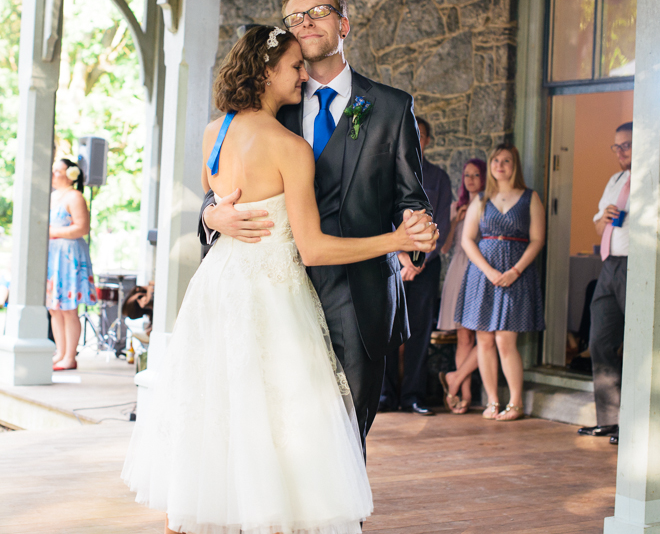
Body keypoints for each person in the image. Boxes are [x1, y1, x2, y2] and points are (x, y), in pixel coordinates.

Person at [123, 26, 435, 534]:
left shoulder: (214, 131)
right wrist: (393, 241)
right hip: (270, 293)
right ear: (267, 71)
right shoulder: (289, 145)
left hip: (217, 288)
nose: (302, 75)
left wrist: (214, 217)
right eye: (293, 67)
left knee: (217, 411)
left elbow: (222, 197)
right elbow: (309, 246)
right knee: (288, 421)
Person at [199, 0, 438, 451]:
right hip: (276, 295)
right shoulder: (269, 105)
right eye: (294, 16)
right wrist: (211, 217)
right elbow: (219, 187)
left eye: (319, 11)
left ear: (344, 23)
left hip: (360, 297)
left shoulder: (391, 107)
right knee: (274, 436)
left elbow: (413, 198)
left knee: (344, 441)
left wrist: (418, 234)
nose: (306, 21)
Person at [457, 144, 545, 421]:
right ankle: (493, 401)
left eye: (506, 161)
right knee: (483, 340)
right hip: (483, 275)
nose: (500, 165)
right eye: (496, 160)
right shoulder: (481, 199)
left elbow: (538, 239)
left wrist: (515, 271)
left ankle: (515, 403)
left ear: (514, 165)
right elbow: (467, 240)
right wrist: (488, 271)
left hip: (515, 274)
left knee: (505, 340)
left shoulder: (530, 198)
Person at [380, 116, 451, 415]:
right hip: (389, 262)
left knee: (419, 332)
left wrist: (419, 263)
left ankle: (413, 396)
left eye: (420, 135)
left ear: (428, 140)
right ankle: (384, 396)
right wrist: (400, 257)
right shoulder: (386, 172)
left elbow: (443, 225)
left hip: (425, 267)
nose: (415, 140)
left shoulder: (439, 178)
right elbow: (379, 218)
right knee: (385, 330)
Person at [578, 122, 633, 445]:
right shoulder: (615, 180)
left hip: (635, 263)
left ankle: (633, 421)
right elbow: (599, 227)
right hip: (609, 264)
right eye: (616, 146)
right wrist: (604, 218)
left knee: (636, 345)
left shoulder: (653, 180)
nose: (620, 152)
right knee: (599, 341)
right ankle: (609, 421)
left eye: (626, 145)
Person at [438, 159, 487, 414]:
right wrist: (456, 220)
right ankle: (465, 394)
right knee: (463, 336)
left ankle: (454, 379)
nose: (470, 179)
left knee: (484, 335)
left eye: (476, 175)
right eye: (467, 174)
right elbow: (444, 248)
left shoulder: (489, 204)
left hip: (480, 268)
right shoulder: (454, 207)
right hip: (458, 269)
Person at [47, 158, 98, 371]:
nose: (53, 174)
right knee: (54, 308)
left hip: (68, 256)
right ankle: (60, 352)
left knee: (69, 309)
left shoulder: (75, 196)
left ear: (70, 175)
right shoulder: (52, 196)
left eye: (57, 171)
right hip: (52, 255)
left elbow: (81, 228)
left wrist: (53, 233)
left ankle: (70, 356)